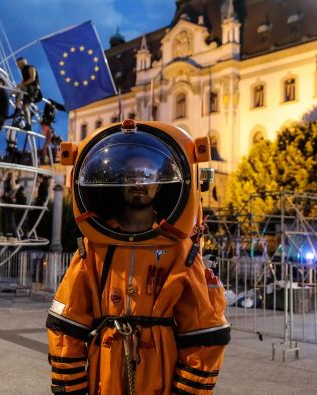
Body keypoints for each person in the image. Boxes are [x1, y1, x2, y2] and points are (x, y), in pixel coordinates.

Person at [47, 121, 230, 394]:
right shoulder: (94, 247)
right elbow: (67, 323)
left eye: (147, 174)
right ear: (119, 183)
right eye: (130, 175)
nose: (138, 183)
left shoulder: (178, 249)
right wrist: (69, 386)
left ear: (160, 183)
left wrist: (188, 390)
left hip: (161, 375)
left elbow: (204, 328)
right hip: (104, 374)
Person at [15, 57, 42, 130]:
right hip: (28, 89)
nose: (19, 65)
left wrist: (21, 85)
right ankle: (28, 125)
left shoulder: (30, 67)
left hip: (33, 89)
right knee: (24, 107)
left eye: (20, 63)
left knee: (20, 89)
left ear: (24, 62)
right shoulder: (23, 71)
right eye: (18, 64)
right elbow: (24, 81)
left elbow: (32, 78)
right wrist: (15, 90)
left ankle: (17, 109)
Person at [0, 171, 22, 242]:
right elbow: (2, 179)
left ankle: (15, 236)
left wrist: (13, 177)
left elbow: (13, 187)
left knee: (11, 220)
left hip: (10, 204)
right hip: (5, 202)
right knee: (4, 219)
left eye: (15, 174)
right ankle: (4, 235)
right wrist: (7, 172)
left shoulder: (17, 183)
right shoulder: (8, 181)